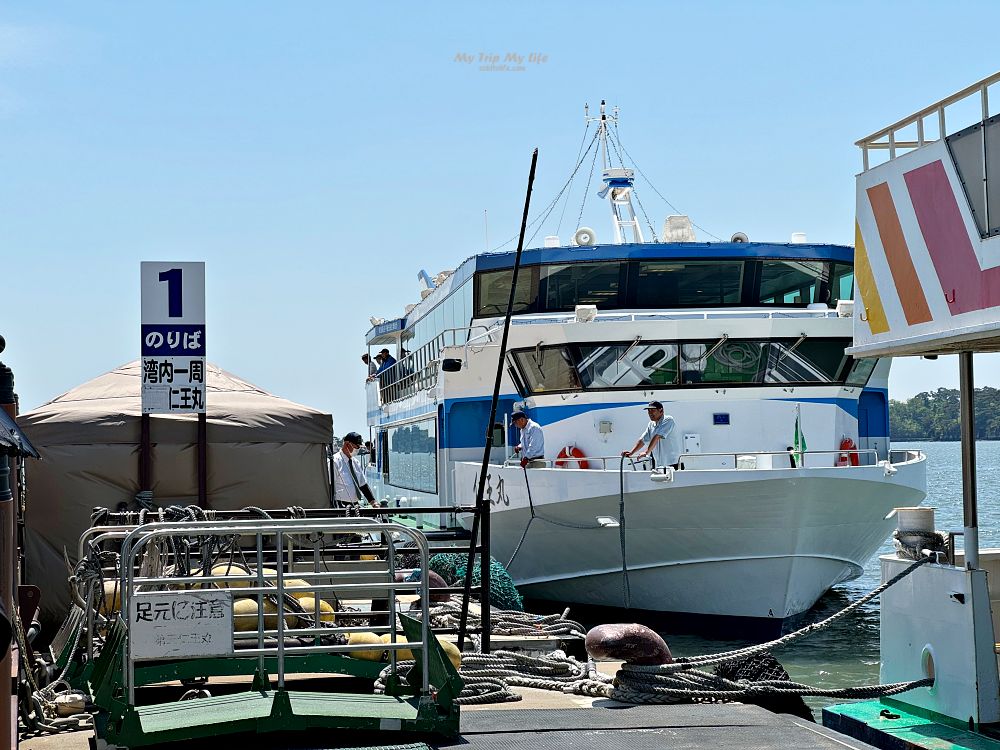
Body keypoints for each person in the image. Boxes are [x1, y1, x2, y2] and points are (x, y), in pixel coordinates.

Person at [622, 401, 682, 470]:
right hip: (659, 464)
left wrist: (646, 452)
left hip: (673, 463)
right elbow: (642, 440)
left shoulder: (668, 420)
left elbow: (657, 436)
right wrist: (631, 453)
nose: (650, 413)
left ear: (661, 410)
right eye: (649, 411)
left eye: (653, 410)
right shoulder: (651, 424)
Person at [331, 432, 378, 509]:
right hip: (340, 506)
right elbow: (329, 487)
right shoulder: (334, 462)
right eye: (357, 446)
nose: (358, 448)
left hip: (355, 505)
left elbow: (363, 485)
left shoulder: (356, 462)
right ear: (347, 444)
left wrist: (373, 502)